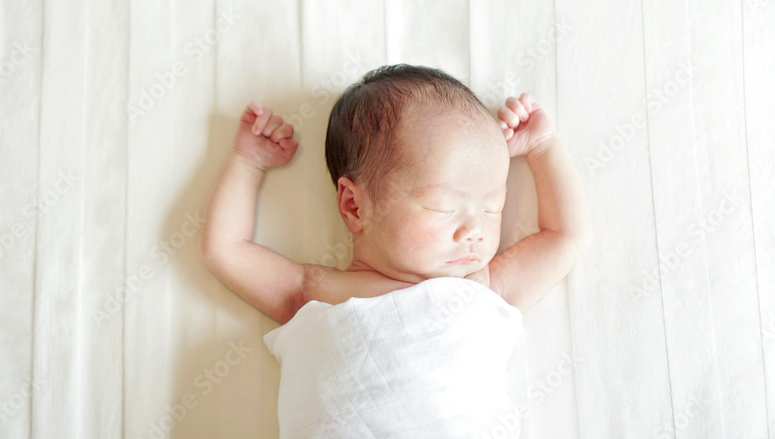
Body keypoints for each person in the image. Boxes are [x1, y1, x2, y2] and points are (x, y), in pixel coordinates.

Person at [199, 63, 593, 324]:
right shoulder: (317, 295)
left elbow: (566, 237)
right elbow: (225, 249)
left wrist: (544, 149)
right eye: (443, 205)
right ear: (354, 206)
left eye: (493, 208)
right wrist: (247, 162)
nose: (475, 230)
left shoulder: (482, 291)